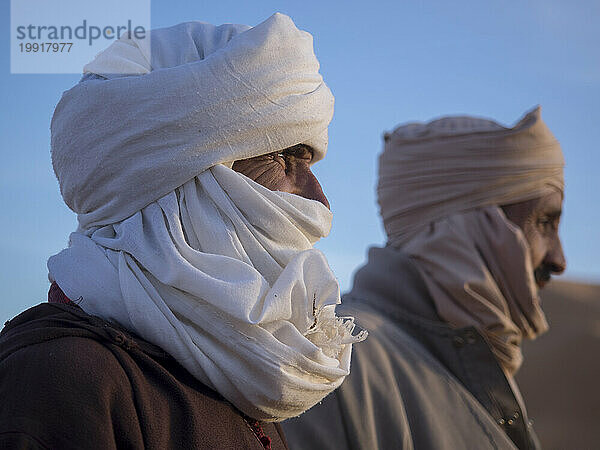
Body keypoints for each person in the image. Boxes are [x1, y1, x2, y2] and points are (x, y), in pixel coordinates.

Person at [0, 13, 365, 449]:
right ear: (183, 182)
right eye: (284, 158)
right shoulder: (64, 380)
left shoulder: (235, 373)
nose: (318, 202)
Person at [283, 106, 565, 450]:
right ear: (469, 226)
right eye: (546, 222)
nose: (559, 259)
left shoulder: (473, 362)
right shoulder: (331, 365)